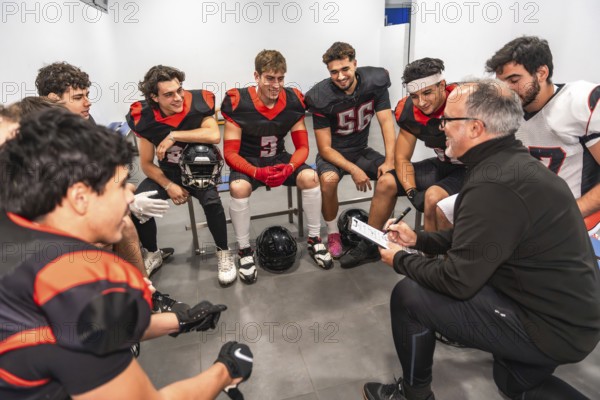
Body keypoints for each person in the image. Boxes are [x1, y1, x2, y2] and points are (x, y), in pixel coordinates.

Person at [363, 80, 600, 400]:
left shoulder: (493, 183)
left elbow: (458, 281)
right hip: (574, 318)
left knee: (410, 295)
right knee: (510, 381)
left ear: (475, 128)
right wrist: (418, 240)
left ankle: (412, 395)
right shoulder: (512, 165)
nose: (441, 127)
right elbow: (483, 239)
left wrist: (400, 258)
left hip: (552, 327)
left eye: (448, 120)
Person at [0, 109, 253, 400]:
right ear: (80, 198)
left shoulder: (17, 235)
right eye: (119, 186)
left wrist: (178, 321)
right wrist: (225, 369)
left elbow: (75, 330)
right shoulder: (76, 281)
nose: (130, 197)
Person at [436, 36, 600, 233]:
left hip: (568, 204)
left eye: (514, 80)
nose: (507, 90)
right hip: (519, 196)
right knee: (446, 210)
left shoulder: (578, 102)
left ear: (541, 72)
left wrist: (573, 210)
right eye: (502, 83)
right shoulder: (504, 107)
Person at [35, 62, 174, 279]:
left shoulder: (83, 121)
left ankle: (143, 283)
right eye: (79, 97)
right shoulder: (41, 141)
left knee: (127, 197)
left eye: (87, 94)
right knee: (121, 222)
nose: (88, 102)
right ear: (53, 99)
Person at [221, 49, 333, 284]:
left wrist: (290, 167)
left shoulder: (293, 100)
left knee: (311, 177)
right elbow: (230, 152)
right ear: (257, 76)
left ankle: (314, 238)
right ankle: (243, 250)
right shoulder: (238, 101)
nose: (276, 84)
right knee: (239, 188)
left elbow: (302, 147)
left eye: (280, 78)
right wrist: (255, 172)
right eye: (269, 78)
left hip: (279, 158)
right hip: (248, 161)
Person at [343, 58, 466, 268]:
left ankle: (434, 264)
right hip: (443, 163)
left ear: (442, 86)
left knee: (433, 196)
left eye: (427, 93)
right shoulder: (410, 110)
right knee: (386, 183)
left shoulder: (464, 102)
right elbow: (401, 158)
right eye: (414, 96)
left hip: (470, 167)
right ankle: (370, 243)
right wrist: (411, 192)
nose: (422, 102)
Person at [126, 65, 236, 286]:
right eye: (168, 94)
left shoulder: (197, 103)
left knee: (212, 202)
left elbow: (214, 134)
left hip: (201, 170)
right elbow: (147, 164)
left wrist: (173, 135)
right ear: (153, 97)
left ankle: (223, 252)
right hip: (168, 173)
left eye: (179, 90)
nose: (178, 98)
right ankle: (153, 252)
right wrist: (168, 185)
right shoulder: (144, 118)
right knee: (139, 203)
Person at [304, 41, 396, 265]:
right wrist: (354, 169)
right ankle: (333, 232)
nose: (340, 76)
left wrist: (391, 160)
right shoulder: (321, 96)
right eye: (333, 72)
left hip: (362, 149)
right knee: (328, 180)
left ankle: (372, 237)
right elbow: (324, 148)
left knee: (391, 180)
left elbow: (386, 123)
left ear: (355, 64)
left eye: (345, 69)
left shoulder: (375, 82)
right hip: (334, 154)